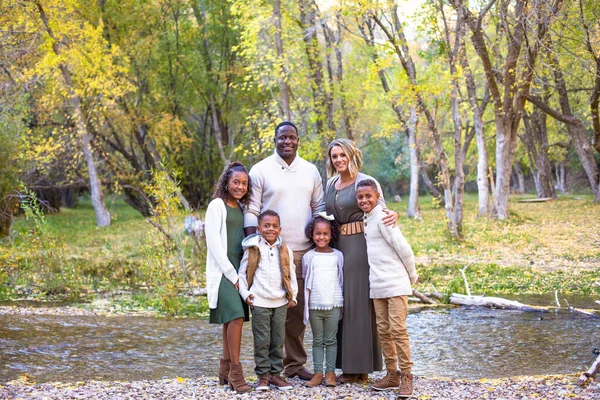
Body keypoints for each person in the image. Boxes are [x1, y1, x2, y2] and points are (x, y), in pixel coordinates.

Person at [244, 121, 325, 380]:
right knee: (268, 311)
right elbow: (252, 210)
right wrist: (252, 246)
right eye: (282, 138)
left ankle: (294, 364)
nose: (287, 142)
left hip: (301, 251)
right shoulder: (260, 170)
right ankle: (269, 369)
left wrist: (321, 241)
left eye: (292, 137)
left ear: (298, 140)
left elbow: (319, 206)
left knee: (296, 312)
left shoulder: (310, 171)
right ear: (275, 140)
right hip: (269, 251)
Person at [324, 138, 399, 383]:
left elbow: (382, 209)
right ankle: (346, 364)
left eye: (342, 155)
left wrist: (394, 214)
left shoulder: (365, 180)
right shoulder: (330, 183)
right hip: (337, 246)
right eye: (334, 156)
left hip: (360, 245)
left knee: (358, 303)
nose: (338, 160)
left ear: (352, 154)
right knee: (341, 303)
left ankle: (361, 368)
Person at [356, 179, 418, 396]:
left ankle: (406, 376)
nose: (364, 200)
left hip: (396, 283)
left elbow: (403, 247)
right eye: (360, 197)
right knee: (383, 331)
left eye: (368, 197)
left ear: (377, 197)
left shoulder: (383, 217)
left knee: (398, 330)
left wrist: (412, 275)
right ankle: (392, 375)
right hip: (378, 285)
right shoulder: (367, 219)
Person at [204, 162, 252, 393]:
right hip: (223, 271)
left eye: (244, 183)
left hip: (239, 270)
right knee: (235, 317)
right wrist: (231, 275)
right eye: (236, 182)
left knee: (232, 320)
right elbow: (214, 244)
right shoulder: (217, 206)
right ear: (226, 182)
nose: (240, 186)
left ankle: (224, 371)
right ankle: (236, 373)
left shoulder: (242, 207)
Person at [238, 210, 299, 391]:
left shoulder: (285, 249)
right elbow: (242, 273)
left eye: (274, 226)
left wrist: (293, 296)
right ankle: (263, 376)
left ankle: (276, 376)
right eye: (266, 226)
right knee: (262, 340)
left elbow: (291, 274)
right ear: (259, 228)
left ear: (280, 229)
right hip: (259, 302)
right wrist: (245, 293)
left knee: (278, 340)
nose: (270, 229)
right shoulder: (253, 248)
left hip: (280, 302)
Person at [301, 214, 344, 388]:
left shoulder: (338, 256)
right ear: (312, 234)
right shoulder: (308, 257)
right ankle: (318, 373)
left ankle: (330, 373)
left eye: (325, 233)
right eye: (318, 233)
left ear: (331, 234)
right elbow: (306, 277)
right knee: (318, 340)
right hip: (314, 304)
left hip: (333, 303)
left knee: (331, 340)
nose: (322, 237)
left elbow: (340, 278)